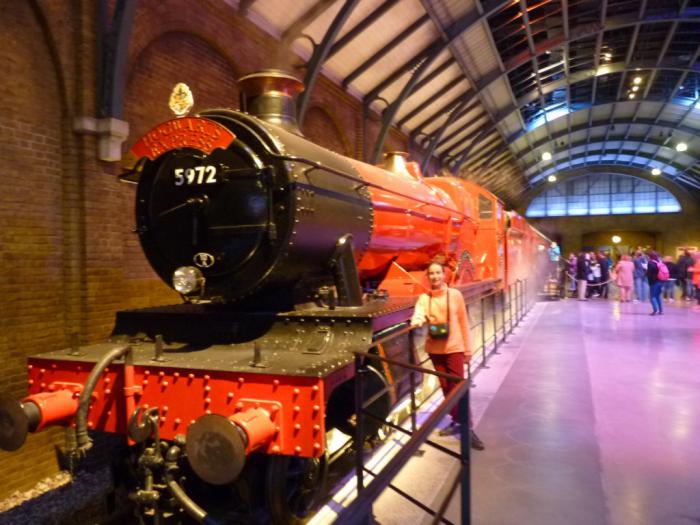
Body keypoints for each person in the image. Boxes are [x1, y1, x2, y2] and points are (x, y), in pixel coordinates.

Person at [410, 262, 484, 449]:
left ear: (444, 275)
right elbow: (419, 313)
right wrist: (417, 320)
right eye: (431, 273)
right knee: (445, 388)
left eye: (438, 273)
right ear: (428, 276)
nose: (435, 276)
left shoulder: (455, 295)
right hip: (435, 350)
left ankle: (468, 427)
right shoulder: (424, 298)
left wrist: (468, 349)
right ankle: (456, 419)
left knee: (457, 387)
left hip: (454, 348)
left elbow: (463, 322)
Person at [647, 251, 664, 315]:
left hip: (653, 281)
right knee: (658, 296)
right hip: (660, 281)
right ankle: (661, 310)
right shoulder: (659, 262)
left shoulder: (650, 263)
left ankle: (655, 310)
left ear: (650, 257)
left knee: (652, 296)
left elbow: (649, 273)